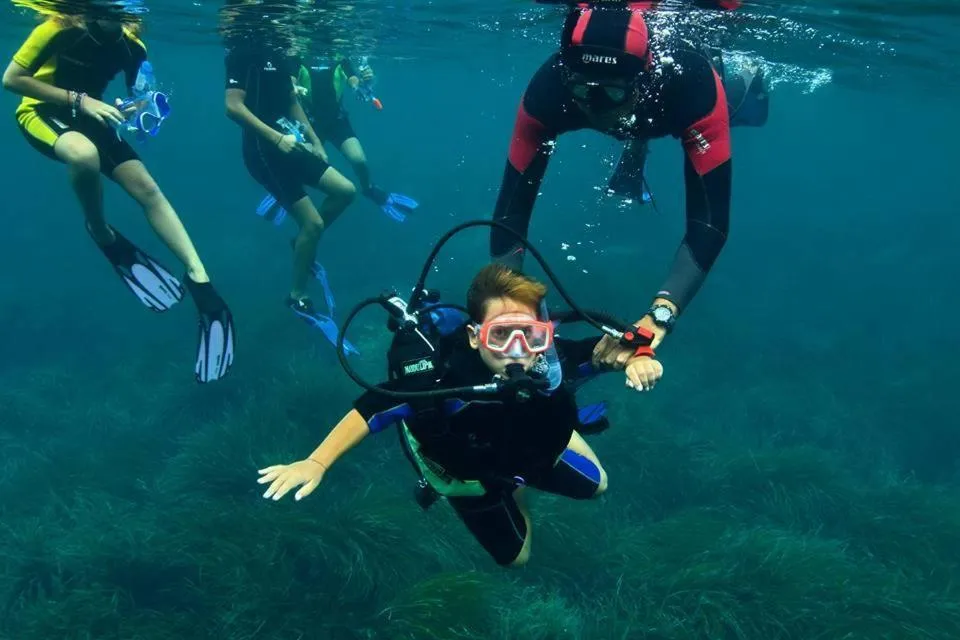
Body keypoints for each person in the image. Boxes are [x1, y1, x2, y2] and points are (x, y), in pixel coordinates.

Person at [256, 263, 663, 567]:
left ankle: (542, 456)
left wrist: (639, 358)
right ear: (474, 336)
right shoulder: (440, 381)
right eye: (500, 334)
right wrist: (316, 462)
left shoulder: (550, 364)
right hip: (470, 472)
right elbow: (370, 410)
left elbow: (609, 351)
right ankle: (512, 491)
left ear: (544, 335)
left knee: (599, 485)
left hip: (529, 452)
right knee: (517, 559)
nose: (517, 349)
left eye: (529, 335)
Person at [490, 2, 748, 375]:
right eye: (583, 88)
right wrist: (509, 305)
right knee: (626, 120)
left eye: (610, 92)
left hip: (668, 104)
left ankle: (746, 80)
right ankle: (634, 141)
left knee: (739, 106)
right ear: (568, 76)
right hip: (640, 104)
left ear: (643, 80)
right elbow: (510, 212)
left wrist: (661, 314)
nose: (595, 107)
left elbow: (710, 223)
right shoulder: (549, 91)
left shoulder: (692, 86)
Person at [2, 12, 235, 383]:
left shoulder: (133, 47)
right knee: (84, 156)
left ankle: (200, 277)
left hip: (92, 115)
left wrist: (139, 108)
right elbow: (12, 79)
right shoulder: (57, 29)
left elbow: (140, 97)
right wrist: (80, 100)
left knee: (147, 188)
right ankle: (100, 231)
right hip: (41, 112)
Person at [224, 32, 359, 347]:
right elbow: (232, 107)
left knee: (345, 191)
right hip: (262, 151)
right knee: (313, 224)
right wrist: (275, 138)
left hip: (291, 142)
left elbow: (291, 100)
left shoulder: (281, 51)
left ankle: (301, 243)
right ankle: (297, 295)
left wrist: (315, 141)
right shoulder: (243, 53)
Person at [257, 54, 418, 223]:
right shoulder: (299, 59)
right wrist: (292, 86)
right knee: (302, 162)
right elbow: (292, 78)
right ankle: (287, 189)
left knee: (359, 160)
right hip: (309, 123)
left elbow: (353, 79)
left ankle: (369, 189)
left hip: (337, 121)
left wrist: (365, 82)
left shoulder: (340, 58)